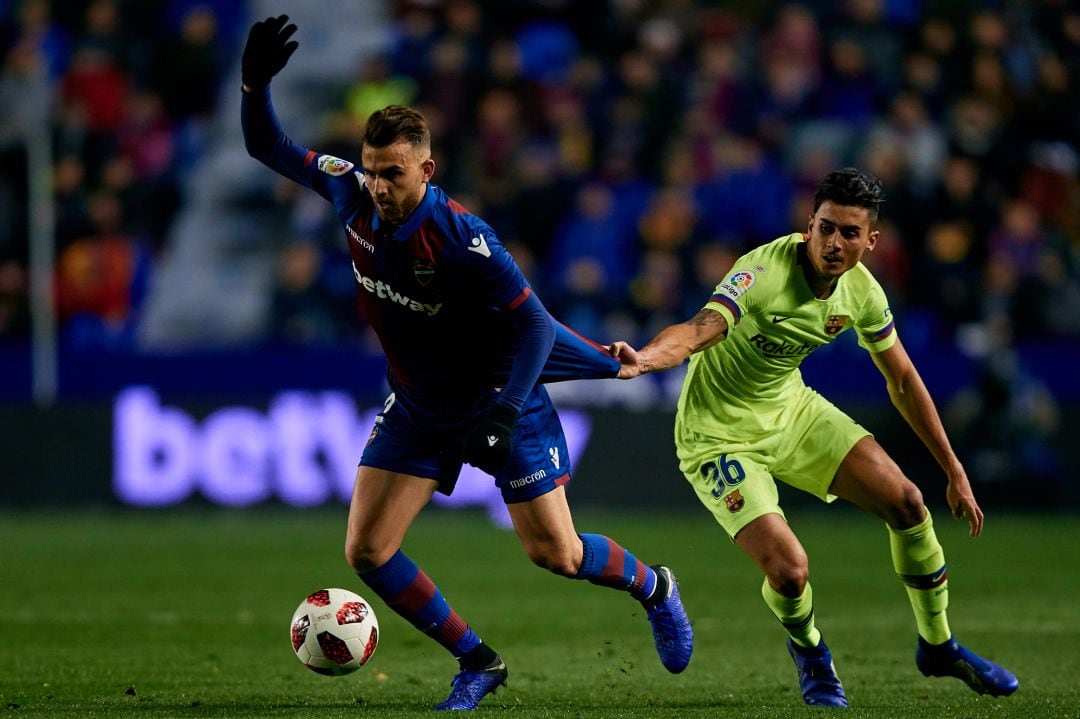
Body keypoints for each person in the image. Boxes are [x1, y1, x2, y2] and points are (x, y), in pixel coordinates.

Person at [240, 16, 693, 711]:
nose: (381, 185)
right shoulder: (348, 192)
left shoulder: (461, 238)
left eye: (395, 174)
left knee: (558, 555)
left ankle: (655, 587)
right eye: (373, 169)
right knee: (366, 552)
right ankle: (478, 661)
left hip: (498, 404)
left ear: (427, 168)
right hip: (420, 407)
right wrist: (253, 84)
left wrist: (509, 411)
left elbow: (536, 325)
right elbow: (265, 143)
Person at [609, 168, 1018, 707]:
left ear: (870, 241)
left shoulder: (863, 293)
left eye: (849, 233)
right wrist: (649, 359)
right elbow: (701, 327)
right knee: (790, 569)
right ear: (810, 225)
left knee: (908, 502)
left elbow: (901, 379)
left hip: (792, 411)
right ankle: (811, 652)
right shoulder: (762, 271)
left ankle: (938, 646)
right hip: (718, 433)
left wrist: (953, 468)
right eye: (826, 228)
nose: (834, 242)